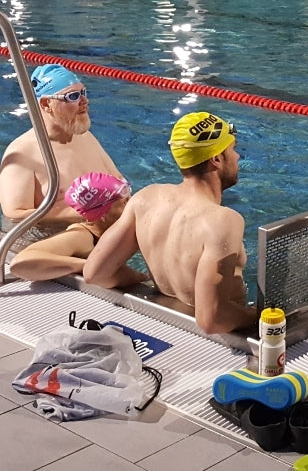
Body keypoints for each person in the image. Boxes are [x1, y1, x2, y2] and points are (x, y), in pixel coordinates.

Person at [84, 111, 258, 335]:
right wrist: (258, 317)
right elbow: (213, 319)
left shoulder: (146, 199)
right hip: (215, 341)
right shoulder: (223, 220)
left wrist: (140, 278)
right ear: (216, 159)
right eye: (232, 149)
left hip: (166, 326)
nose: (237, 157)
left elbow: (95, 272)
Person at [0, 64, 121, 238]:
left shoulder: (85, 137)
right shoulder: (22, 154)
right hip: (49, 244)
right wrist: (84, 213)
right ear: (46, 103)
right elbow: (14, 216)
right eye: (73, 96)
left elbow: (119, 181)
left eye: (83, 93)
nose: (84, 101)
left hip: (100, 236)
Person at [9, 172, 146, 286]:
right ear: (102, 214)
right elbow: (20, 263)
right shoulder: (82, 236)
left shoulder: (118, 231)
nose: (132, 203)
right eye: (124, 202)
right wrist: (89, 267)